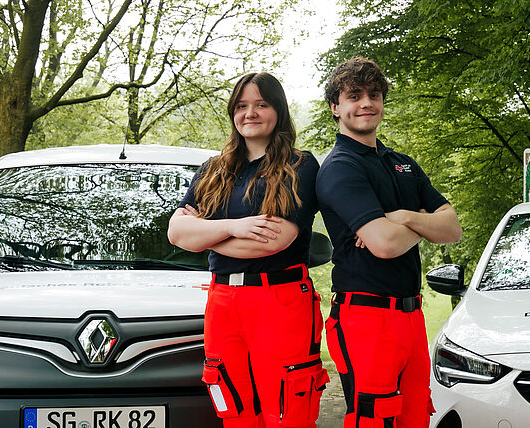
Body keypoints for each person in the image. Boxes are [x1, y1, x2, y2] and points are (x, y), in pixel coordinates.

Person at [167, 72, 328, 428]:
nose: (250, 113)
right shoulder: (213, 170)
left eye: (261, 104)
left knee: (287, 413)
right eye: (241, 106)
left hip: (281, 299)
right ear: (232, 113)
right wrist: (233, 227)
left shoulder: (300, 166)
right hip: (223, 301)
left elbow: (272, 241)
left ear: (278, 111)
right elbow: (177, 233)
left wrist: (205, 234)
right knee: (234, 408)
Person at [316, 57, 462, 428]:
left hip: (412, 316)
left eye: (374, 94)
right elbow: (383, 244)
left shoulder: (403, 164)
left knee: (414, 415)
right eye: (354, 96)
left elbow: (453, 228)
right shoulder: (339, 167)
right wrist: (422, 223)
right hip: (366, 316)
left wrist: (404, 218)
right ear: (336, 107)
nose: (366, 103)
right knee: (376, 420)